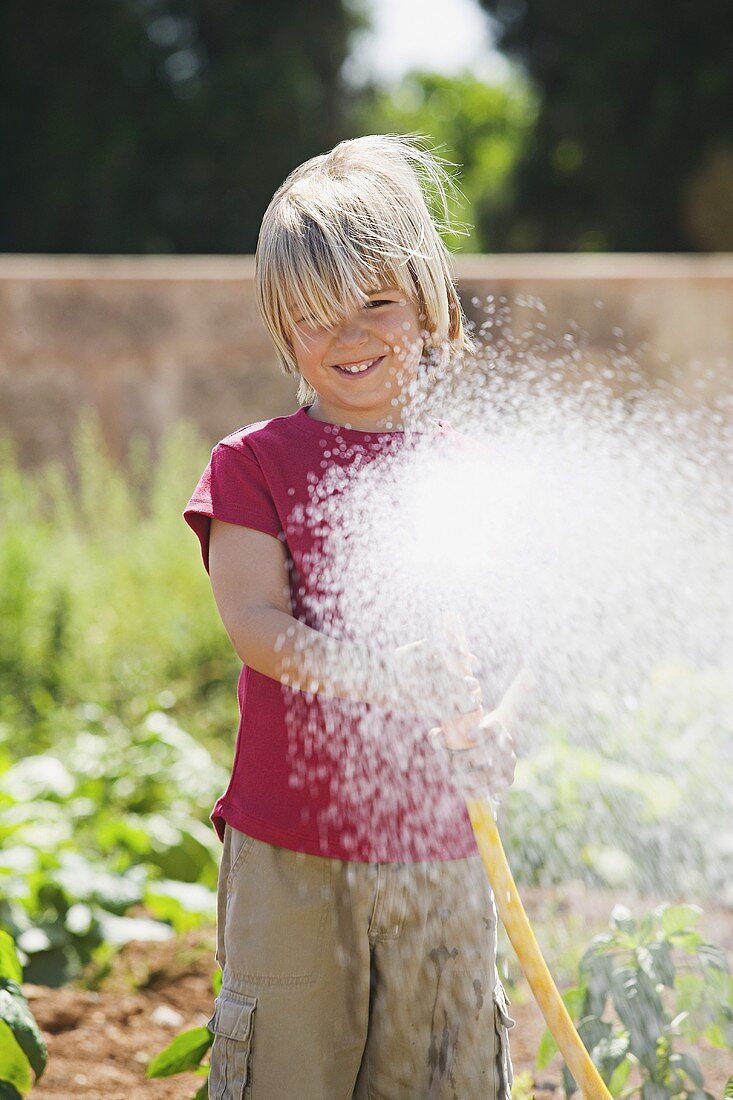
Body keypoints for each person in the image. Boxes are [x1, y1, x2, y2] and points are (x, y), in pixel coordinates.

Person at [184, 134, 524, 1099]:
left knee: (440, 1077)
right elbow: (253, 623)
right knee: (288, 1068)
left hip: (442, 849)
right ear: (280, 330)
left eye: (374, 301)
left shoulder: (475, 476)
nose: (349, 337)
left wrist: (504, 727)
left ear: (426, 299)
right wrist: (385, 679)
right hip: (291, 857)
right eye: (312, 316)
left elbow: (527, 642)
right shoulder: (253, 464)